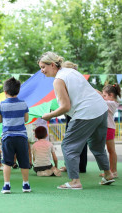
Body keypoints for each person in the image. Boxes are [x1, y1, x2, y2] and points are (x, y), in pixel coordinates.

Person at [38, 51, 114, 190]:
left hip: (86, 113)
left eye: (43, 67)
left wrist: (49, 115)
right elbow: (90, 91)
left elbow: (65, 107)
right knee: (97, 146)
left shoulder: (58, 80)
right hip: (101, 109)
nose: (41, 71)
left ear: (53, 65)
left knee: (67, 146)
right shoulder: (71, 71)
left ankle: (75, 181)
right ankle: (108, 174)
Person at [0, 77, 31, 194]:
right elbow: (26, 119)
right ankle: (26, 184)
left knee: (7, 162)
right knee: (24, 161)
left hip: (7, 137)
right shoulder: (23, 104)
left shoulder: (1, 105)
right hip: (21, 137)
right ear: (18, 91)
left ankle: (6, 186)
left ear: (5, 92)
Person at [59, 61, 87, 173]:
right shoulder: (81, 81)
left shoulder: (67, 82)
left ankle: (70, 167)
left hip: (74, 115)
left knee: (69, 142)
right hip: (82, 114)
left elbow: (67, 103)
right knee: (82, 141)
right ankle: (81, 166)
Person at [97, 83, 121, 178]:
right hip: (106, 127)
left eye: (105, 96)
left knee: (111, 150)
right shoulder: (109, 102)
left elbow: (99, 100)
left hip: (109, 128)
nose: (103, 97)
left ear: (111, 95)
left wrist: (96, 92)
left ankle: (113, 171)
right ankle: (109, 171)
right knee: (107, 150)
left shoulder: (112, 103)